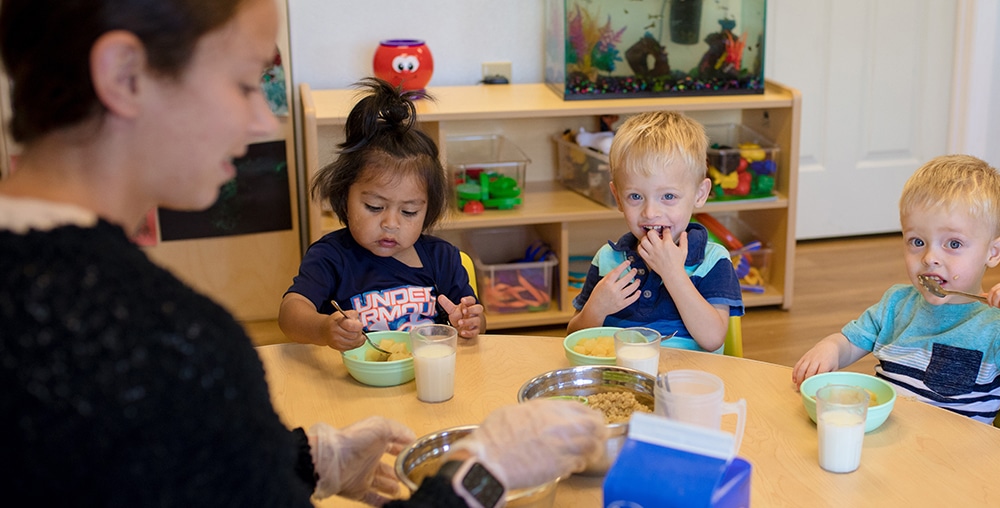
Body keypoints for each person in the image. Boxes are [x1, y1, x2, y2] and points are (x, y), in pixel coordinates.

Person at [0, 1, 603, 506]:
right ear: (125, 74)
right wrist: (485, 472)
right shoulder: (166, 344)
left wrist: (296, 460)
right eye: (244, 84)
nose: (262, 117)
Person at [792, 155, 1000, 423]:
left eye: (953, 244)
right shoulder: (896, 305)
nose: (929, 258)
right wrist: (828, 348)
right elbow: (849, 343)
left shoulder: (998, 327)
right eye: (917, 242)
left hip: (953, 465)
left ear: (993, 252)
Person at [278, 78, 484, 352]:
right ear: (344, 196)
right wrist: (323, 329)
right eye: (375, 207)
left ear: (428, 210)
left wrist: (470, 322)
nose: (390, 223)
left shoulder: (441, 259)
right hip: (355, 388)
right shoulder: (331, 257)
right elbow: (290, 313)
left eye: (409, 211)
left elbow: (477, 325)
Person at [567, 111, 743, 352]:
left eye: (668, 196)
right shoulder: (607, 260)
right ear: (618, 197)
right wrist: (595, 310)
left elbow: (712, 339)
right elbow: (575, 340)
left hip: (685, 383)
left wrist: (673, 274)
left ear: (700, 194)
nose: (650, 212)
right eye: (635, 196)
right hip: (622, 381)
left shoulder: (712, 260)